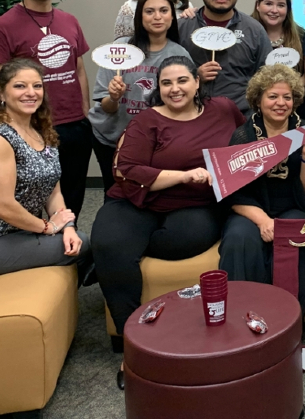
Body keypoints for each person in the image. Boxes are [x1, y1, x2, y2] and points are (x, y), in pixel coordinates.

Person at [90, 56, 245, 388]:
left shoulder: (224, 109)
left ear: (197, 82)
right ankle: (132, 349)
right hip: (138, 200)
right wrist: (183, 175)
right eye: (167, 83)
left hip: (196, 205)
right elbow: (127, 170)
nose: (175, 89)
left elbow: (243, 147)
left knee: (179, 242)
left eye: (182, 81)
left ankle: (100, 262)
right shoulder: (147, 120)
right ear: (158, 88)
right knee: (110, 246)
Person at [0, 59, 89, 279]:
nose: (31, 93)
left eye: (37, 86)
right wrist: (48, 227)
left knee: (76, 238)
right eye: (20, 86)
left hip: (15, 233)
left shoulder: (42, 132)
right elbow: (2, 206)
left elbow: (53, 190)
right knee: (86, 243)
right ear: (1, 93)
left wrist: (67, 226)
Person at [0, 0, 92, 218]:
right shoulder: (2, 27)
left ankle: (69, 250)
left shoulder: (70, 21)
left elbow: (78, 69)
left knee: (72, 195)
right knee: (30, 199)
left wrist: (85, 112)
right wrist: (11, 129)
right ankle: (37, 251)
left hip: (73, 125)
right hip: (29, 127)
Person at [218, 64, 305, 314]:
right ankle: (240, 316)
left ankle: (286, 319)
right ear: (258, 100)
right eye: (273, 96)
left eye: (287, 97)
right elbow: (233, 192)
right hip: (251, 208)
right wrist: (264, 221)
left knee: (296, 235)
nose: (281, 103)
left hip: (295, 207)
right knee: (238, 239)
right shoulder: (242, 136)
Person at [88, 0, 191, 194]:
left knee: (146, 192)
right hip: (110, 136)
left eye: (163, 10)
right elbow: (105, 106)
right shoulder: (120, 49)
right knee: (115, 193)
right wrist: (114, 98)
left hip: (152, 139)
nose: (157, 17)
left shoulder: (180, 54)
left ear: (172, 15)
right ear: (139, 16)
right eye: (149, 11)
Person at [178, 0, 271, 115]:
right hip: (190, 114)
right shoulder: (182, 27)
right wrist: (194, 76)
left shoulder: (254, 30)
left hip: (241, 117)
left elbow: (266, 78)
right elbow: (166, 74)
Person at [252, 0, 305, 71]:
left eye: (281, 5)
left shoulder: (302, 36)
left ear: (288, 9)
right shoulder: (246, 33)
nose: (274, 10)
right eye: (269, 4)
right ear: (258, 5)